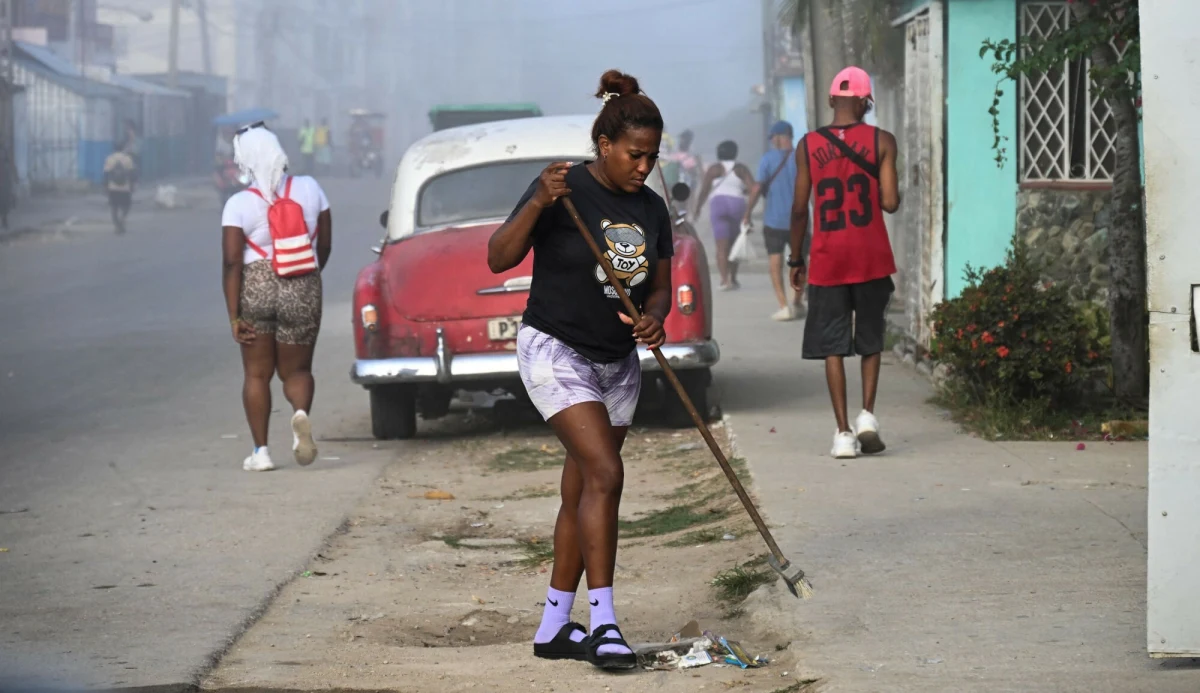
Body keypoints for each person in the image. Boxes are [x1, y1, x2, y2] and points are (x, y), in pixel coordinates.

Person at [487, 69, 672, 671]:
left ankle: (552, 626)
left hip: (617, 365)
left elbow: (660, 290)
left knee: (583, 488)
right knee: (606, 472)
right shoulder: (562, 188)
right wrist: (538, 200)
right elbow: (498, 257)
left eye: (652, 156)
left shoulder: (651, 208)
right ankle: (606, 624)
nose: (644, 166)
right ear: (605, 147)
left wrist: (653, 320)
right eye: (634, 155)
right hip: (554, 349)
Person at [788, 66, 900, 459]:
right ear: (866, 102)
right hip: (871, 256)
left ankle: (842, 434)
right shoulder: (883, 141)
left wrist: (795, 258)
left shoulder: (807, 144)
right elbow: (889, 203)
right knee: (870, 339)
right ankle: (867, 415)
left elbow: (800, 209)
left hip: (828, 259)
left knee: (832, 346)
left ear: (832, 100)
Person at [221, 123, 332, 472]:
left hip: (256, 285)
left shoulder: (238, 203)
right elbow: (325, 244)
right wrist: (309, 278)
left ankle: (261, 452)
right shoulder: (311, 189)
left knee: (256, 374)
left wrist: (234, 316)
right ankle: (300, 414)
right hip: (302, 281)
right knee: (297, 370)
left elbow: (231, 262)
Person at [743, 120, 802, 321]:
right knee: (799, 261)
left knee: (775, 262)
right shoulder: (802, 158)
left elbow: (758, 188)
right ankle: (797, 301)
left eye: (773, 138)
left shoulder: (768, 159)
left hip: (774, 220)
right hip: (800, 220)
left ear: (779, 137)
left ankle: (784, 305)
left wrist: (747, 213)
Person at [694, 140, 754, 290]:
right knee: (735, 245)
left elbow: (704, 190)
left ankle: (724, 279)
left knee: (721, 247)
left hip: (718, 206)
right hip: (737, 206)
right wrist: (743, 193)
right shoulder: (741, 169)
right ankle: (733, 278)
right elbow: (753, 188)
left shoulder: (714, 169)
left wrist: (698, 208)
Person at [103, 140, 137, 235]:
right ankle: (122, 220)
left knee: (114, 208)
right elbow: (132, 174)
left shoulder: (109, 159)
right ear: (122, 148)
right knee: (126, 207)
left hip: (112, 187)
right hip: (125, 188)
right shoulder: (127, 159)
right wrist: (132, 185)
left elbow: (106, 174)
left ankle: (117, 225)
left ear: (114, 149)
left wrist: (105, 187)